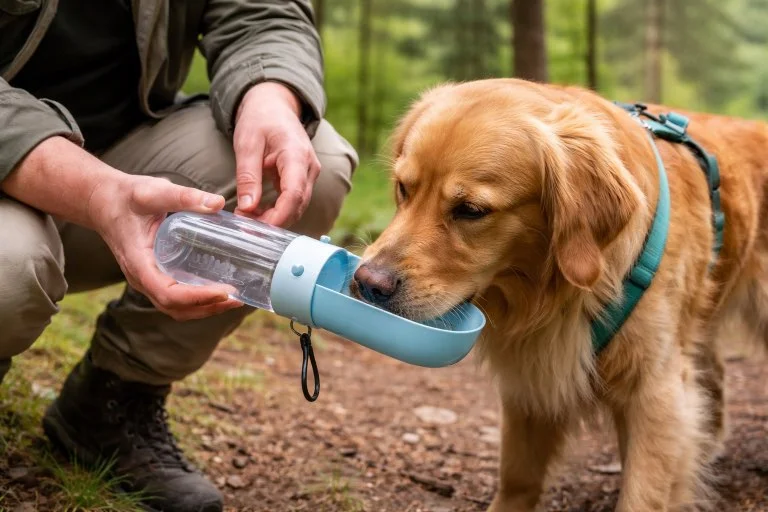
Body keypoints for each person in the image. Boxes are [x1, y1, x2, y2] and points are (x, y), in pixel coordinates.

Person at [0, 1, 358, 510]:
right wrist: (96, 192)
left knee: (306, 165)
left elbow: (261, 13)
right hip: (23, 181)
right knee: (8, 270)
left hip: (126, 154)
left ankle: (112, 399)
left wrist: (270, 94)